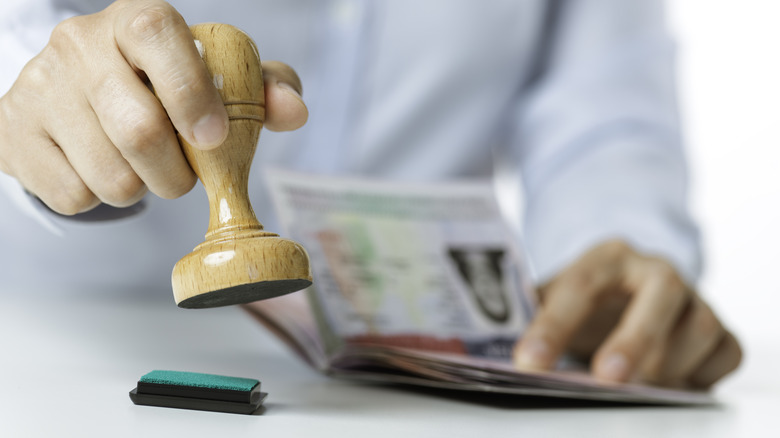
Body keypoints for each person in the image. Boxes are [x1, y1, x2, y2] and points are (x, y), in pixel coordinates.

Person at [0, 0, 741, 388]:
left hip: (419, 370)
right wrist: (27, 83)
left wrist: (612, 246)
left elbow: (600, 106)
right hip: (81, 361)